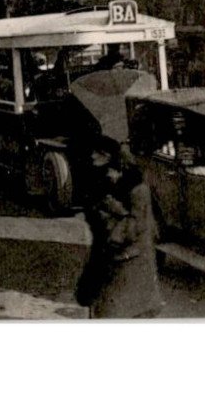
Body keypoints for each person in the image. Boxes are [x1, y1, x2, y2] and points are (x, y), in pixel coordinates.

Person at [77, 136, 163, 319]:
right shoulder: (103, 181)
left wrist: (114, 211)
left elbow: (132, 228)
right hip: (117, 262)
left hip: (126, 263)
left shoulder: (136, 190)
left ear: (109, 158)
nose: (92, 156)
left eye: (97, 153)